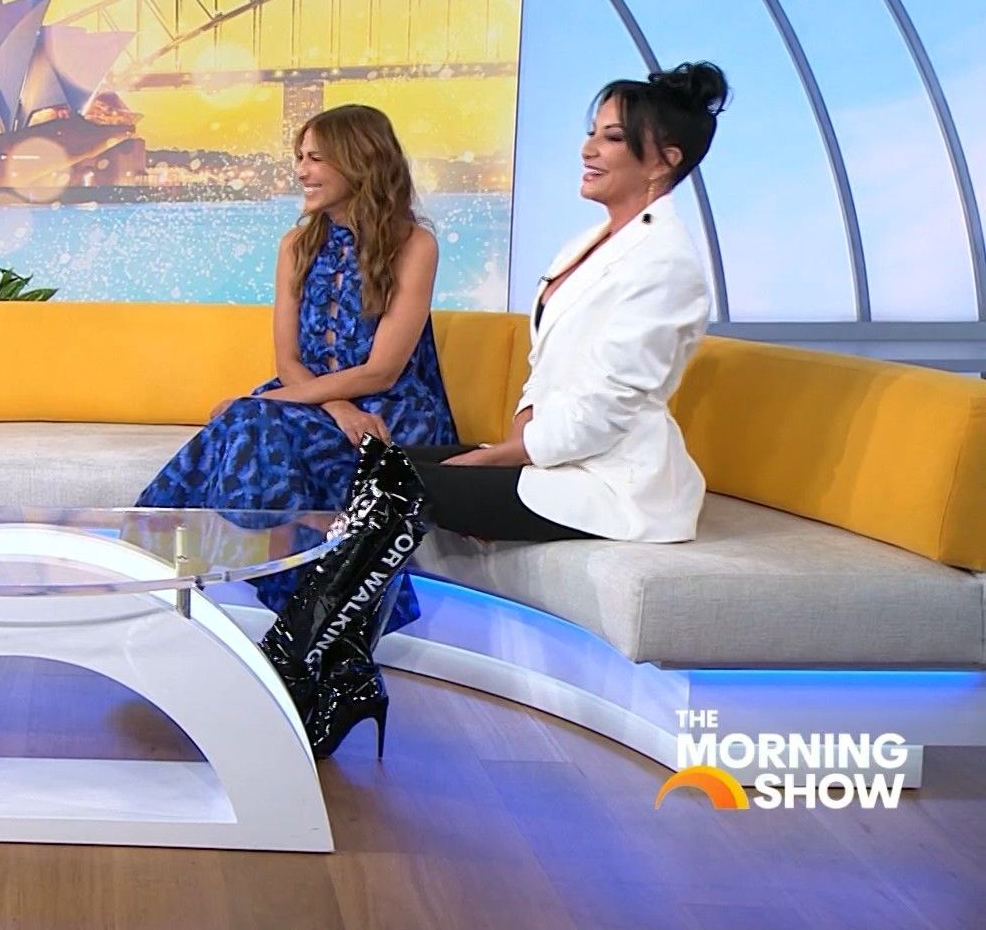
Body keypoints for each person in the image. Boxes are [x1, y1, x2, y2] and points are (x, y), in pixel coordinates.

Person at [137, 104, 457, 612]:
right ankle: (307, 591)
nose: (302, 172)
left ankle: (159, 567)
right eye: (301, 158)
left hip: (392, 409)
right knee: (253, 420)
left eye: (316, 159)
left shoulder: (415, 245)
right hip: (319, 400)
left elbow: (383, 370)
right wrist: (336, 408)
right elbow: (287, 359)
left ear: (360, 161)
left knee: (247, 417)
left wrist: (301, 404)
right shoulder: (296, 244)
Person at [405, 62, 728, 542]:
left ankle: (328, 595)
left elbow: (609, 404)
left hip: (612, 481)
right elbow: (546, 367)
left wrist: (505, 456)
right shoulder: (587, 243)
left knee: (403, 487)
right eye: (592, 132)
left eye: (612, 138)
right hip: (557, 456)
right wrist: (515, 441)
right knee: (383, 465)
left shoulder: (667, 263)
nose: (588, 148)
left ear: (663, 162)